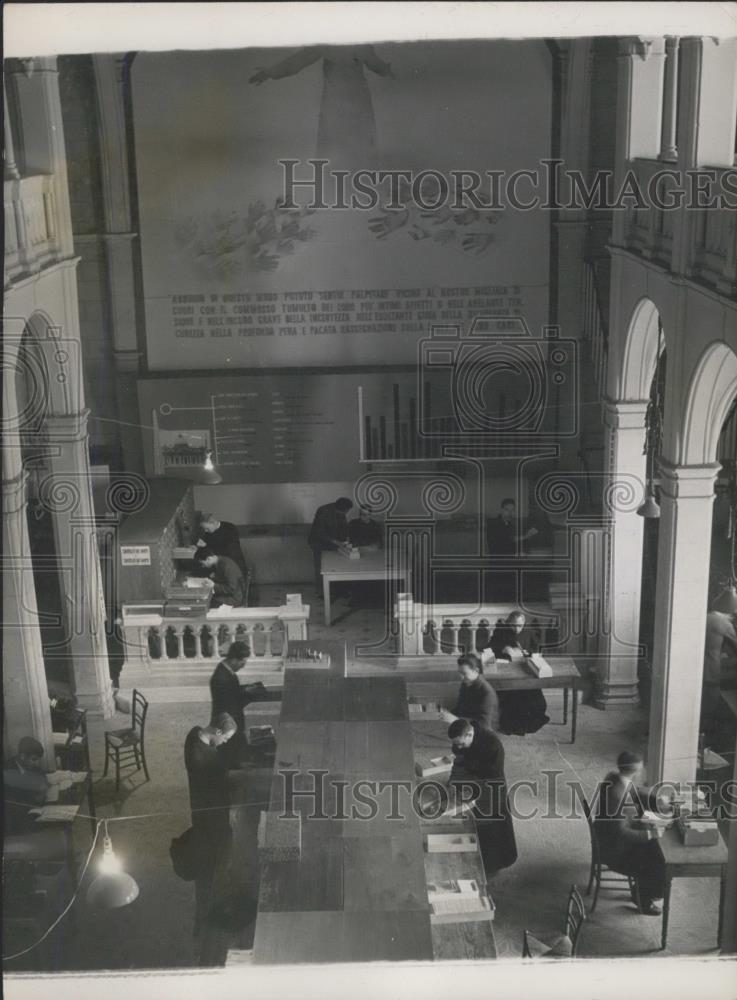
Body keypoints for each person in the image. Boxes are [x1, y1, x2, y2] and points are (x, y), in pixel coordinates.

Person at [593, 750, 667, 915]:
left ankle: (641, 890)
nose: (643, 771)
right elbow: (620, 832)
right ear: (636, 770)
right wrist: (650, 834)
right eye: (641, 768)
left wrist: (657, 800)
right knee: (658, 861)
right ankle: (643, 899)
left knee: (655, 851)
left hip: (610, 838)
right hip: (615, 851)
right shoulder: (617, 795)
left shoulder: (615, 777)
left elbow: (635, 792)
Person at [184, 713, 237, 935]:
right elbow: (215, 787)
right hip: (209, 816)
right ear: (216, 732)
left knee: (213, 864)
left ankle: (207, 911)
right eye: (225, 738)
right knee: (215, 863)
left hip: (205, 811)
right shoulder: (200, 757)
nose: (225, 742)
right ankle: (209, 918)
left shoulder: (194, 734)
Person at [447, 719, 517, 876]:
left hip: (492, 786)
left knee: (493, 827)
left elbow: (490, 775)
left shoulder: (492, 746)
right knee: (476, 823)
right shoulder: (462, 740)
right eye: (455, 744)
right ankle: (478, 856)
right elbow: (459, 760)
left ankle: (495, 865)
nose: (457, 747)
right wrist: (453, 782)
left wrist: (468, 788)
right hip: (475, 781)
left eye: (460, 744)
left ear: (470, 735)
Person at [490, 611, 550, 735]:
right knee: (512, 700)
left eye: (520, 626)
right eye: (513, 625)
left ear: (524, 624)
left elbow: (538, 651)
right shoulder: (500, 631)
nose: (517, 629)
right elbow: (490, 648)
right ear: (508, 623)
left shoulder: (530, 633)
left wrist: (526, 653)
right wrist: (502, 649)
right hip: (507, 672)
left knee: (536, 701)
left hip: (525, 671)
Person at [209, 640, 264, 765]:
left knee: (231, 758)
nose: (243, 665)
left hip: (229, 722)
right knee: (229, 759)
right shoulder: (221, 677)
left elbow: (232, 692)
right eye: (242, 662)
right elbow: (231, 703)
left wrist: (246, 688)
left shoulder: (226, 670)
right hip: (227, 725)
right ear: (234, 659)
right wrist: (250, 694)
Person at [485, 499, 538, 601]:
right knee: (500, 596)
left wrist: (519, 553)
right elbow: (507, 541)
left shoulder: (509, 524)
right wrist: (527, 536)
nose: (510, 513)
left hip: (508, 565)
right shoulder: (493, 524)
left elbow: (511, 544)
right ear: (501, 510)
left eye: (512, 510)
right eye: (507, 510)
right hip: (498, 566)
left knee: (510, 595)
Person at [701, 606, 737, 742]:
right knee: (708, 710)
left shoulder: (706, 617)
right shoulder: (725, 623)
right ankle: (702, 744)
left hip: (695, 669)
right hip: (711, 672)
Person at [440, 653, 501, 732]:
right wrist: (448, 714)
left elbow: (484, 725)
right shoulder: (466, 684)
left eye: (464, 673)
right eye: (459, 673)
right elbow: (460, 708)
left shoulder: (487, 693)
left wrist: (455, 719)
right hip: (468, 725)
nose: (461, 677)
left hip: (484, 733)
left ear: (476, 671)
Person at [195, 514, 250, 601]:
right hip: (223, 565)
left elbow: (227, 551)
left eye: (206, 528)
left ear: (212, 523)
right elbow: (209, 549)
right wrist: (201, 546)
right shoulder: (209, 532)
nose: (205, 531)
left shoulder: (230, 528)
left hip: (235, 564)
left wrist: (206, 546)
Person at [307, 497, 353, 594]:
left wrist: (346, 539)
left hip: (332, 544)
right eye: (346, 511)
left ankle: (334, 590)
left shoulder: (341, 512)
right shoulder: (323, 511)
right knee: (321, 567)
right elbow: (319, 532)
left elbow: (344, 527)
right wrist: (337, 542)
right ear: (341, 509)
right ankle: (321, 592)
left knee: (334, 566)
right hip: (318, 543)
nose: (346, 513)